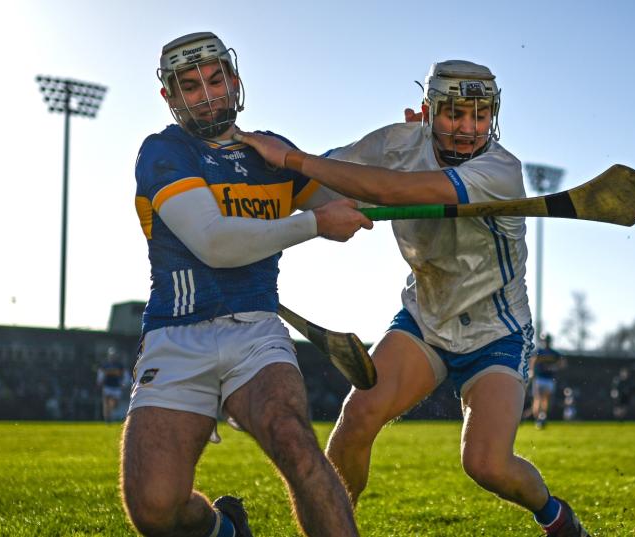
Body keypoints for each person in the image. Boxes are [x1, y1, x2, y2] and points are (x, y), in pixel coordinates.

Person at [235, 60, 589, 536]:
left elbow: (391, 189)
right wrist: (238, 195)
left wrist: (293, 159)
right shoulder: (396, 144)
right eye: (453, 114)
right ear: (428, 110)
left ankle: (555, 516)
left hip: (496, 332)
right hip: (425, 320)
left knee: (485, 463)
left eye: (480, 116)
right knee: (357, 419)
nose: (467, 129)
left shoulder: (500, 171)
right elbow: (318, 187)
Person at [122, 31, 370, 537]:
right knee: (155, 509)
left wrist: (410, 141)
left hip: (256, 332)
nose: (208, 95)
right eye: (190, 87)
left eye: (216, 80)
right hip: (177, 333)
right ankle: (224, 530)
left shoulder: (271, 153)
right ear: (169, 97)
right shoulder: (163, 152)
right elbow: (215, 243)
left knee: (294, 439)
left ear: (235, 81)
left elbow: (351, 195)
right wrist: (316, 224)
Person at [528, 334, 565, 429]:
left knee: (545, 399)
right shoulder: (539, 351)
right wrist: (532, 372)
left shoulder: (554, 353)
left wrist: (554, 367)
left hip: (549, 379)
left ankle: (542, 417)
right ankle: (538, 419)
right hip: (539, 378)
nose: (546, 343)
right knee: (538, 398)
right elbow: (533, 362)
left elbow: (562, 364)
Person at [96, 347, 128, 422]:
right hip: (107, 386)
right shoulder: (105, 365)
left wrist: (124, 383)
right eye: (111, 355)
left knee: (115, 404)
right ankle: (107, 417)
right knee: (106, 402)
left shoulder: (119, 365)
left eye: (113, 355)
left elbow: (125, 375)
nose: (112, 357)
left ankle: (109, 413)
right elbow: (101, 374)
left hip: (116, 387)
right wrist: (99, 382)